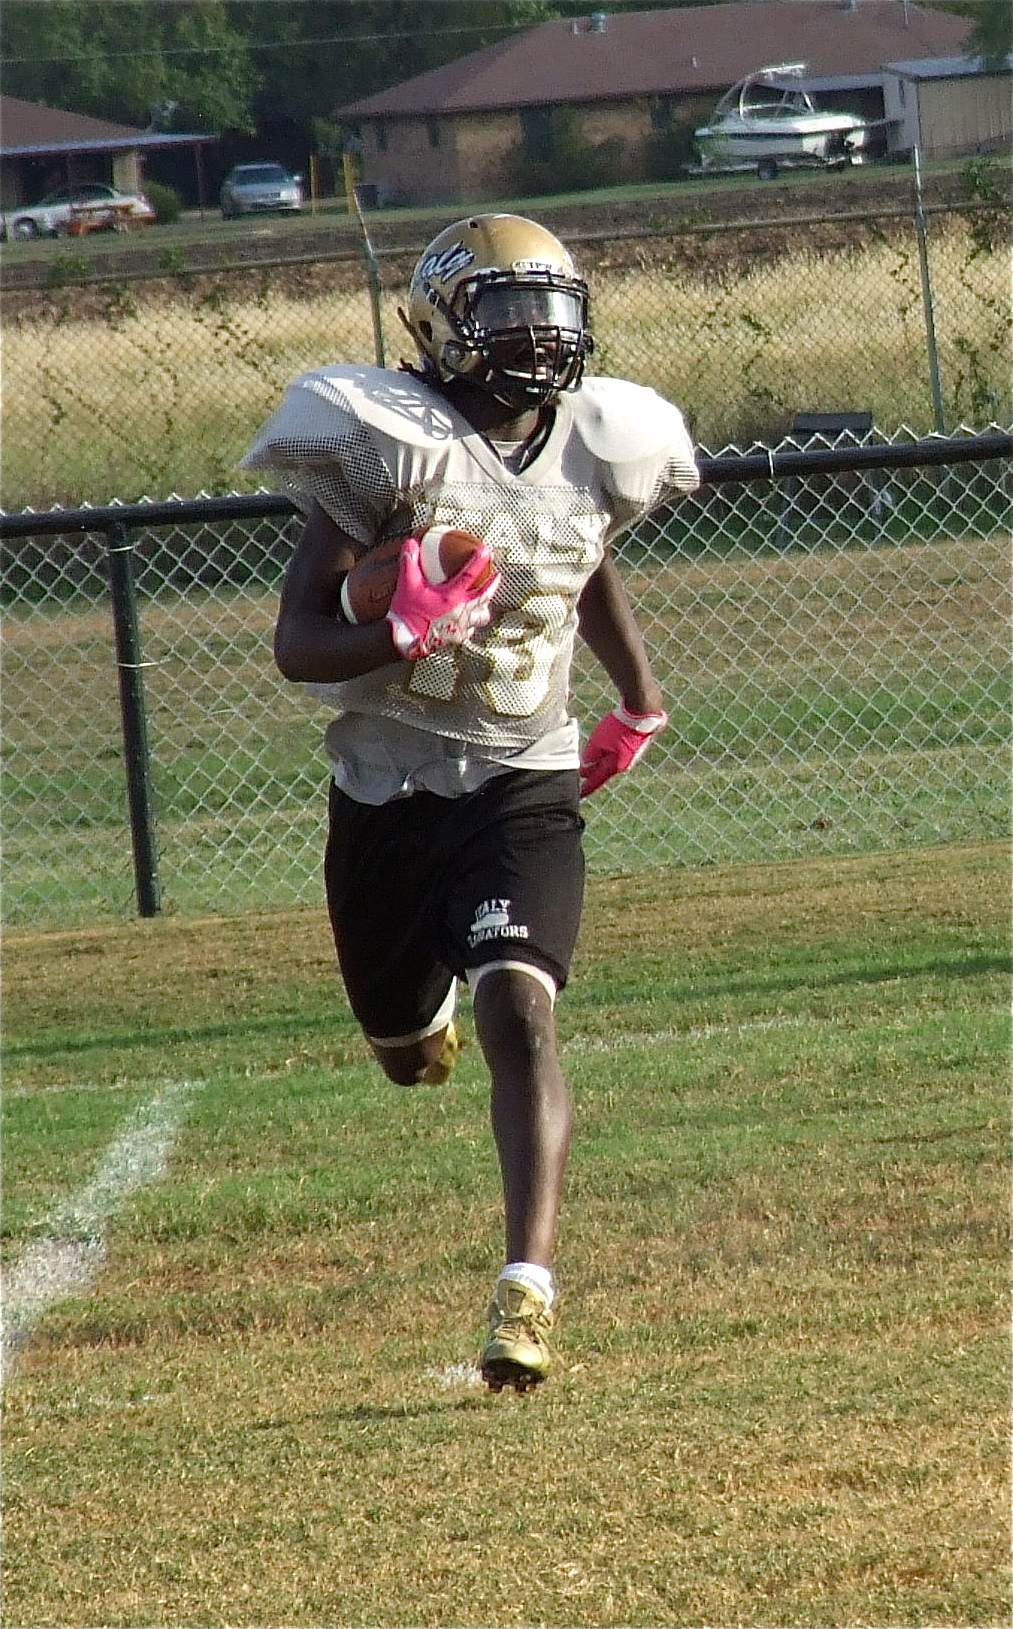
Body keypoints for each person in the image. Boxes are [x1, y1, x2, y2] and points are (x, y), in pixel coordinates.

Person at [242, 213, 699, 1393]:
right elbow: (297, 642)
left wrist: (638, 701)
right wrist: (393, 630)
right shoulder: (387, 447)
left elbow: (581, 558)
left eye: (551, 309)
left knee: (520, 1009)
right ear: (441, 326)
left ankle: (524, 1290)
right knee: (406, 1055)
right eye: (507, 311)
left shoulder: (597, 442)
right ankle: (418, 1011)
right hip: (388, 791)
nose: (537, 336)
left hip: (521, 773)